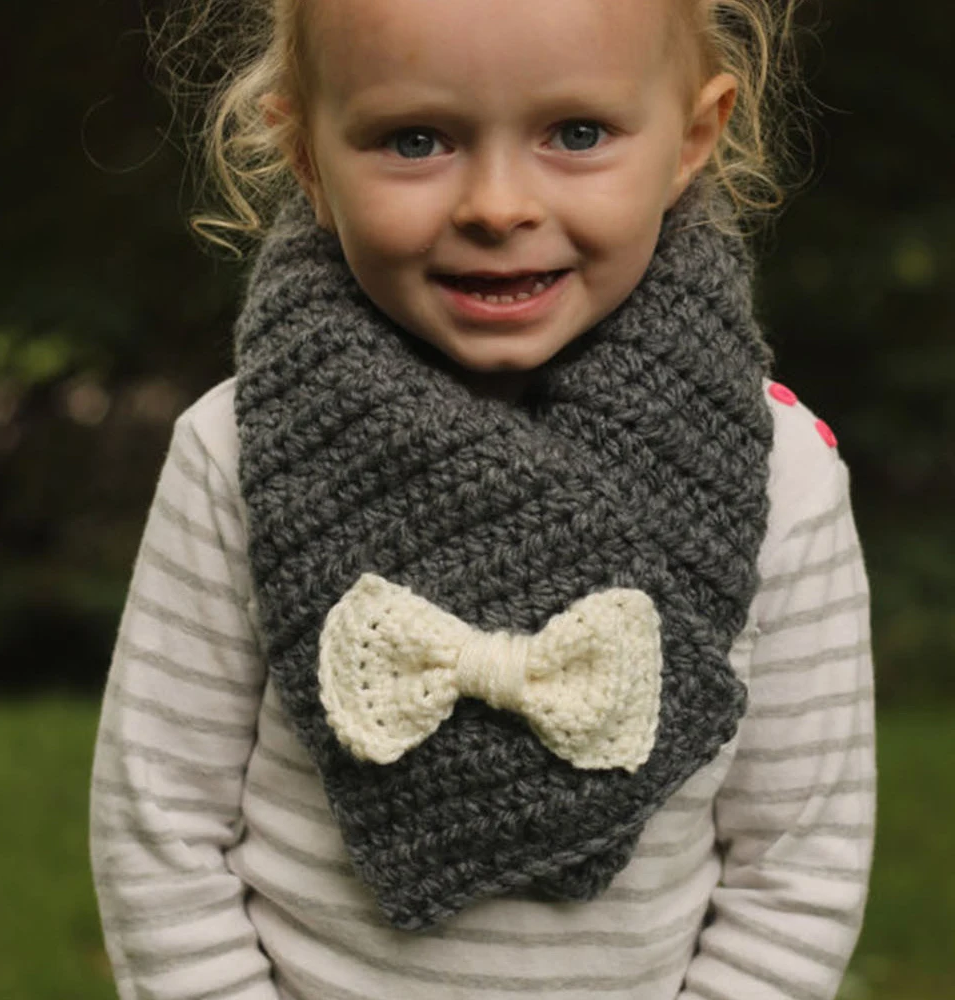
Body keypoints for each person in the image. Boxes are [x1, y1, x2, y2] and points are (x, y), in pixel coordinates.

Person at [90, 0, 875, 997]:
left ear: (691, 139)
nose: (497, 206)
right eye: (415, 140)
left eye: (577, 133)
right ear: (306, 157)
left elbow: (798, 863)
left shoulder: (784, 471)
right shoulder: (234, 451)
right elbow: (160, 822)